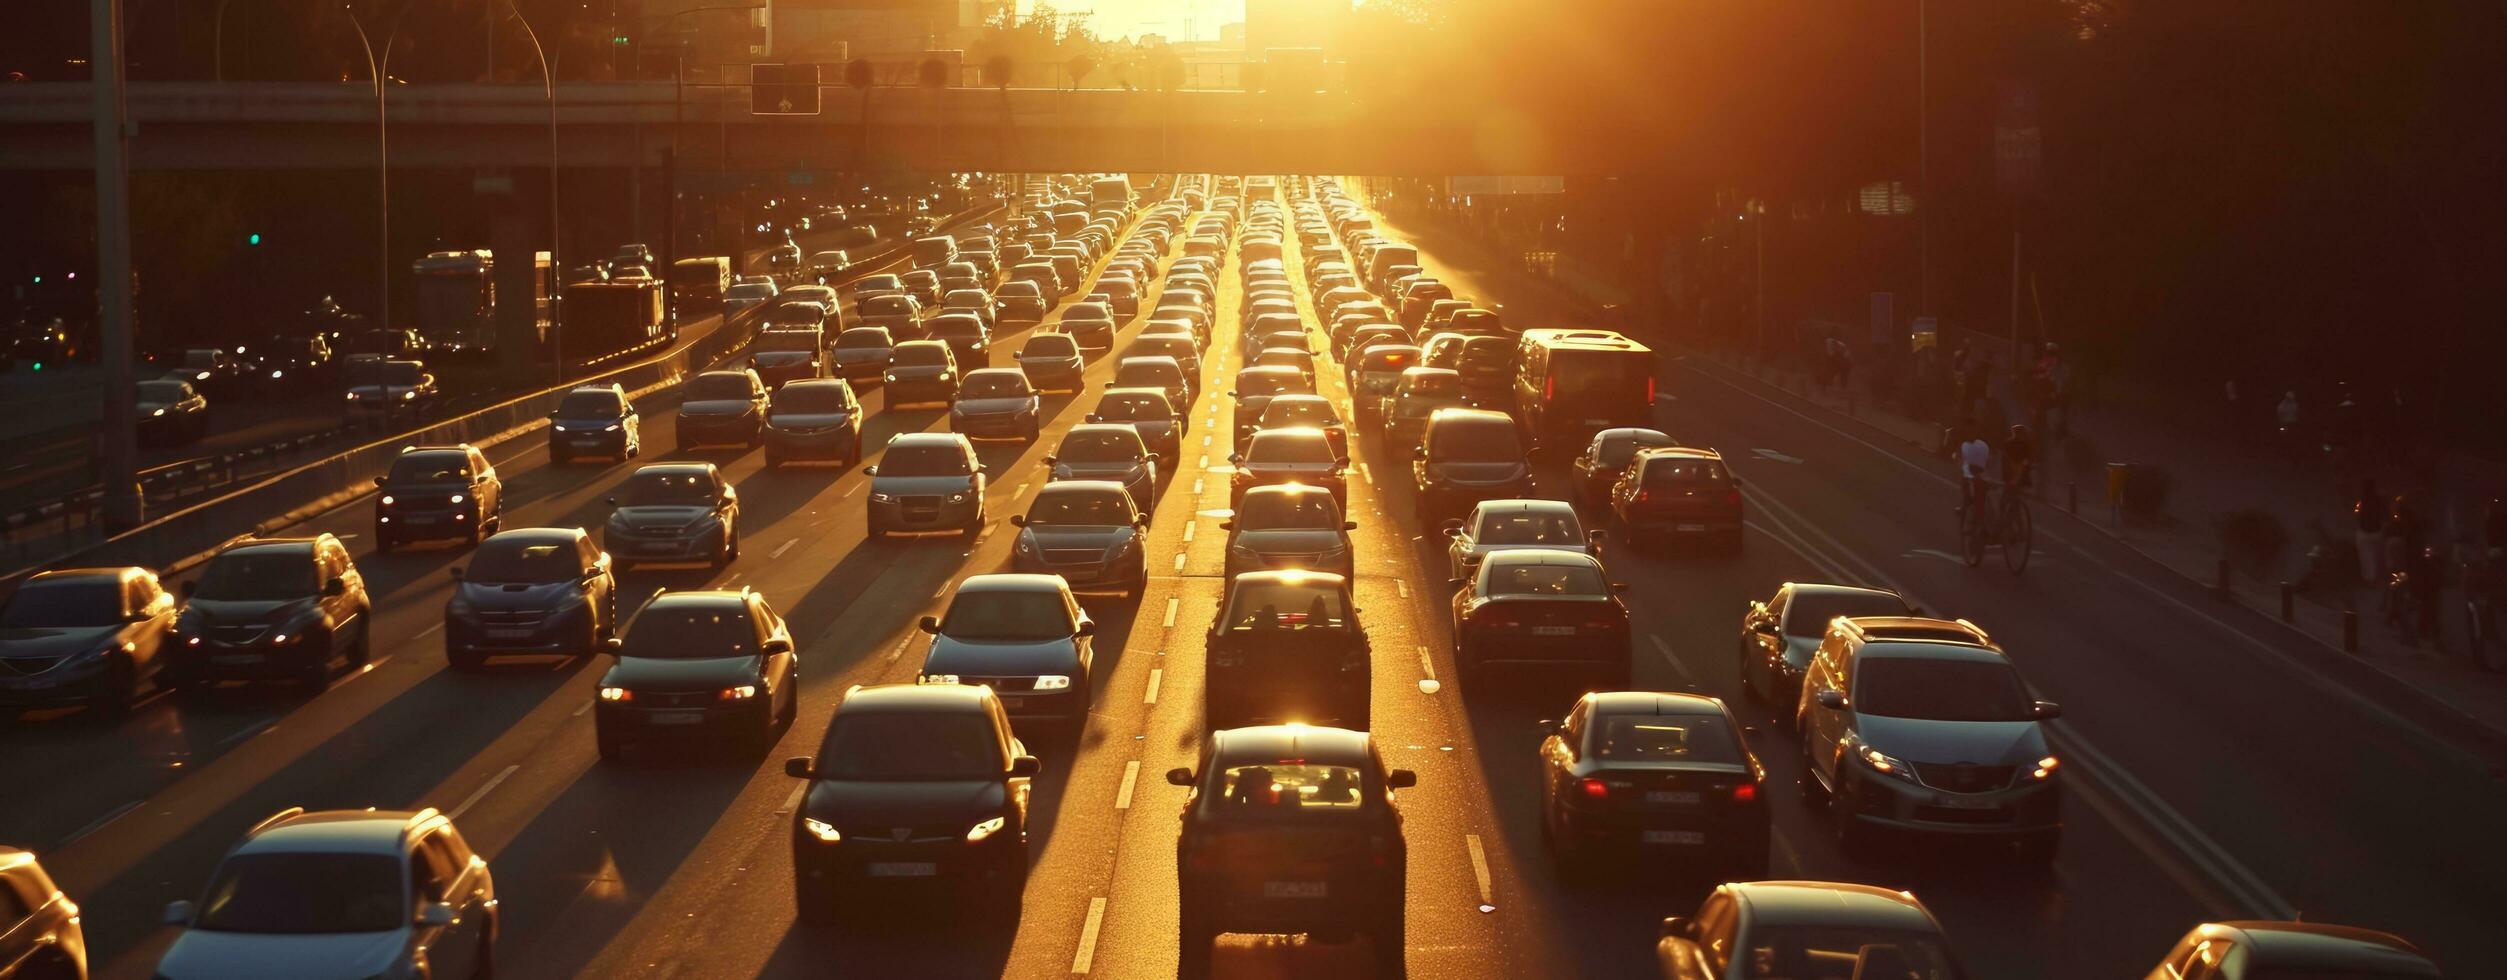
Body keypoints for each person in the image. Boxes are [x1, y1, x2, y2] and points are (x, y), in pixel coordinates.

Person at [2354, 479, 2388, 584]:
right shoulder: (2378, 501)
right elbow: (2386, 515)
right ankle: (2376, 577)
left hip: (2367, 534)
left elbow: (2357, 516)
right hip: (2374, 533)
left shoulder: (2362, 501)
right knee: (2376, 557)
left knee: (2368, 559)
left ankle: (2371, 579)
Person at [1957, 429, 1994, 516]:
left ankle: (1966, 507)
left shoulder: (1968, 444)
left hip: (1976, 469)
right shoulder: (1984, 444)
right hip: (1985, 470)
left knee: (1967, 483)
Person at [2003, 424, 2036, 495]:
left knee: (2018, 487)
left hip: (2021, 467)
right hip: (2010, 468)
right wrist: (2012, 464)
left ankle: (2023, 482)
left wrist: (2022, 465)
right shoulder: (2008, 443)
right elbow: (2006, 456)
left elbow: (2028, 457)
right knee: (2009, 491)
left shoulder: (2025, 444)